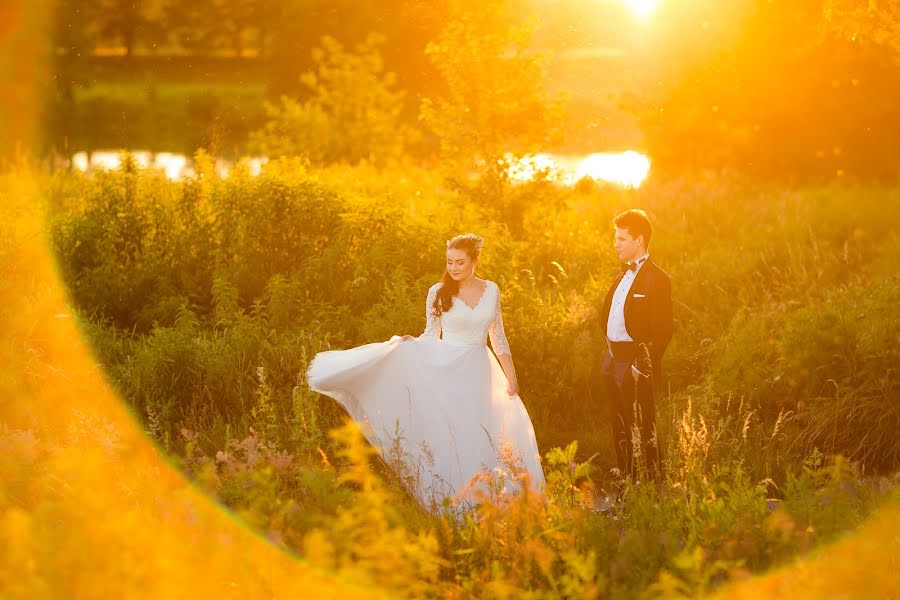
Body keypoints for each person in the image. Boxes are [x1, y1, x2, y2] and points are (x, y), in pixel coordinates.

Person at [306, 233, 545, 511]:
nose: (454, 268)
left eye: (460, 262)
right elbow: (432, 335)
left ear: (474, 261)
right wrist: (411, 344)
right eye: (449, 262)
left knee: (484, 431)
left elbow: (499, 337)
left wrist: (512, 377)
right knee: (454, 432)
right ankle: (459, 501)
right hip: (448, 368)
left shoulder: (491, 290)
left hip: (482, 370)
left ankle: (494, 500)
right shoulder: (438, 291)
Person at [597, 209, 673, 481]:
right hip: (612, 360)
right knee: (619, 427)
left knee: (643, 427)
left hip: (636, 363)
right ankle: (627, 487)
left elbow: (664, 330)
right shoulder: (621, 276)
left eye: (621, 238)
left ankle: (652, 490)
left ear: (639, 240)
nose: (615, 244)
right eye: (616, 238)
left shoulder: (658, 279)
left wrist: (642, 367)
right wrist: (609, 356)